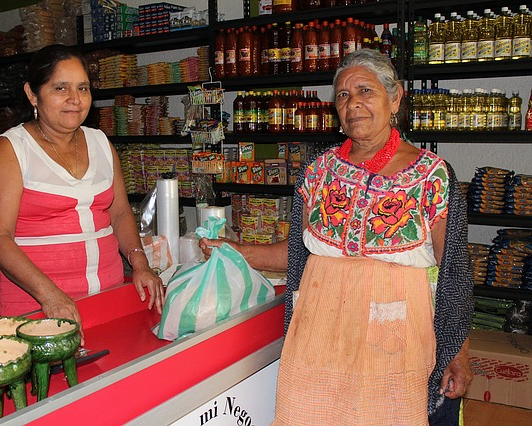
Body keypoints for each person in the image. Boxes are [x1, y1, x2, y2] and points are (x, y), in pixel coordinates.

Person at [202, 49, 473, 425]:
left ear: (395, 98)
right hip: (318, 333)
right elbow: (296, 254)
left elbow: (454, 272)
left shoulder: (432, 175)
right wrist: (234, 251)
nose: (353, 104)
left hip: (393, 341)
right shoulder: (317, 173)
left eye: (366, 91)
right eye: (343, 96)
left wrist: (458, 353)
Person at [0, 45, 164, 338]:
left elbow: (119, 212)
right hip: (39, 305)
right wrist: (50, 295)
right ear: (32, 93)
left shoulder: (101, 143)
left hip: (108, 295)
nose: (75, 99)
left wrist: (139, 262)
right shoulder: (11, 150)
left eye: (83, 88)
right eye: (60, 88)